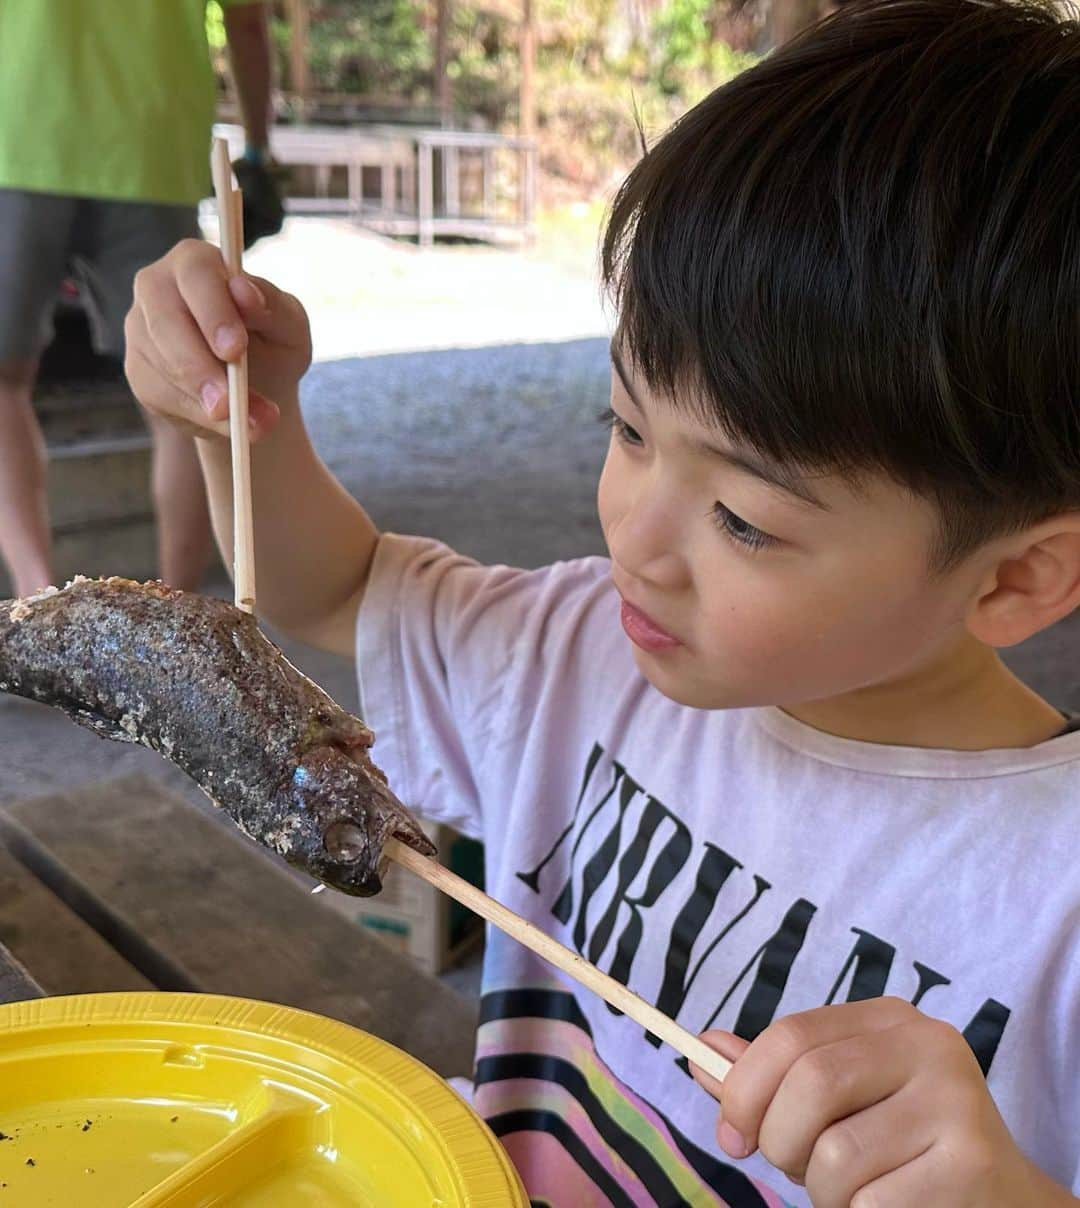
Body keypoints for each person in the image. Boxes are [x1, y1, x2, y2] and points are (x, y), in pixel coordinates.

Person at [123, 0, 1080, 1203]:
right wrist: (239, 417)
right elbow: (337, 585)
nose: (635, 534)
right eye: (625, 426)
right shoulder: (581, 653)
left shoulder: (1051, 902)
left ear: (1015, 576)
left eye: (744, 518)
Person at [0, 1, 275, 598]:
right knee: (188, 390)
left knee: (3, 383)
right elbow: (246, 20)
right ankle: (174, 611)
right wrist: (257, 150)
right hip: (150, 141)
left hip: (16, 127)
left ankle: (37, 601)